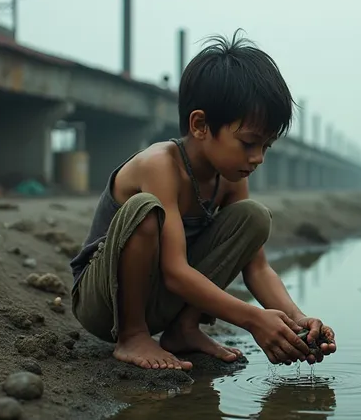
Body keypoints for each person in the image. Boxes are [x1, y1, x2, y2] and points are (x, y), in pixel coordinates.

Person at [68, 30, 336, 371]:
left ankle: (183, 329)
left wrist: (296, 319)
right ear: (200, 125)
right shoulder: (160, 164)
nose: (258, 158)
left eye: (266, 147)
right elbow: (176, 272)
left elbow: (257, 267)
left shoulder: (229, 176)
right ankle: (133, 335)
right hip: (105, 302)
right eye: (249, 143)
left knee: (253, 216)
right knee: (145, 211)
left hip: (161, 298)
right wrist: (253, 319)